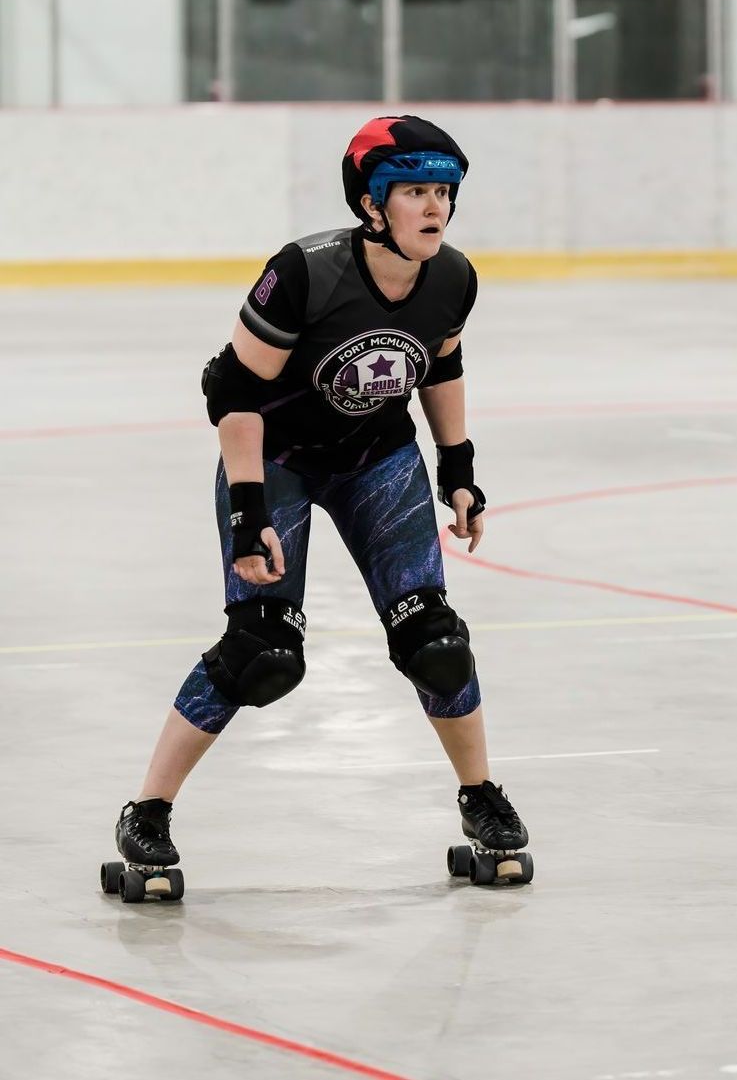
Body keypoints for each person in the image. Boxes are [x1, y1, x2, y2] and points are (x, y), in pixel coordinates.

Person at [111, 115, 530, 887]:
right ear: (373, 205)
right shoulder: (306, 272)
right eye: (413, 192)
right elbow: (230, 390)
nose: (433, 207)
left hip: (376, 455)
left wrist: (458, 465)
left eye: (442, 191)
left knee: (434, 639)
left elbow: (440, 363)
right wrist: (246, 511)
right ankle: (147, 812)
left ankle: (481, 797)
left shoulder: (453, 277)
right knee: (262, 651)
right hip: (274, 458)